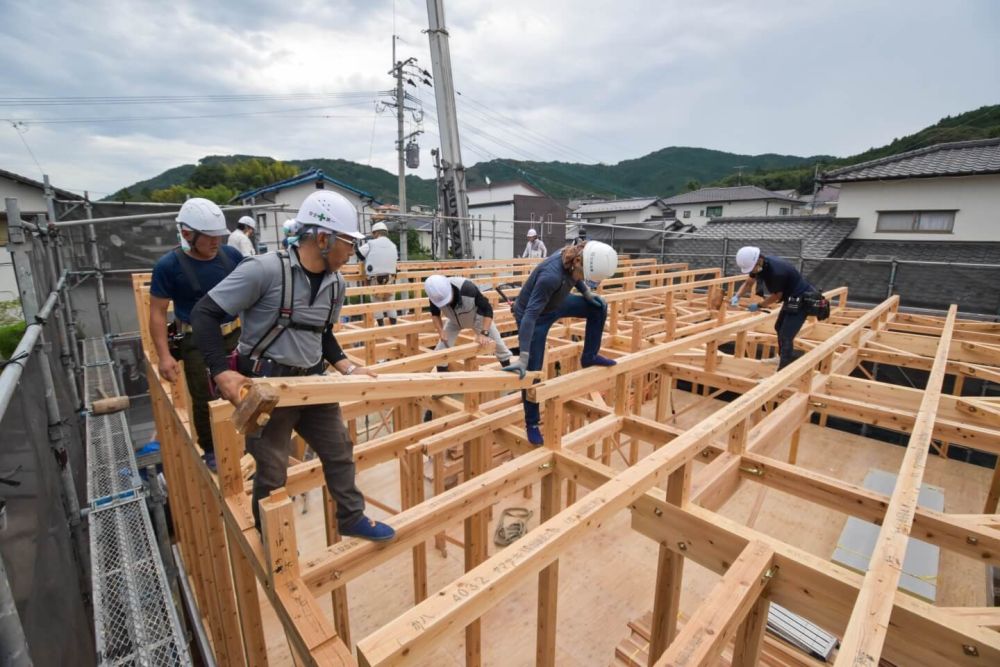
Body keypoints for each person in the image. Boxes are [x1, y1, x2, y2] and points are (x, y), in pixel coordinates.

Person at [191, 190, 395, 541]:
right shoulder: (265, 270)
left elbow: (323, 334)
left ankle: (350, 516)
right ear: (322, 238)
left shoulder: (336, 284)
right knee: (271, 470)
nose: (353, 251)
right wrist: (221, 371)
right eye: (347, 242)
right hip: (268, 385)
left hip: (313, 381)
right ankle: (274, 542)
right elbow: (203, 313)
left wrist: (347, 367)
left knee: (340, 451)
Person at [149, 198, 243, 471]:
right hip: (196, 339)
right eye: (210, 237)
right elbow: (157, 312)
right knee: (205, 397)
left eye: (218, 236)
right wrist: (164, 356)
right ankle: (212, 449)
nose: (216, 242)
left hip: (234, 333)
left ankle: (246, 438)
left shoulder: (231, 257)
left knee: (243, 386)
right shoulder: (169, 266)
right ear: (188, 234)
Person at [504, 241, 619, 445]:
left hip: (556, 302)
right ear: (577, 262)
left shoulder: (575, 257)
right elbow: (530, 315)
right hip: (535, 317)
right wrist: (523, 356)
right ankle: (531, 423)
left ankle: (589, 356)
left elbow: (575, 278)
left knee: (599, 306)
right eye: (586, 276)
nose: (586, 280)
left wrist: (586, 292)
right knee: (532, 372)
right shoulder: (551, 277)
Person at [731, 246, 817, 370]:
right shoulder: (761, 264)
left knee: (786, 335)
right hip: (790, 297)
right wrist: (737, 296)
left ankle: (782, 371)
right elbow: (749, 283)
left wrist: (759, 305)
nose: (752, 271)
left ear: (758, 260)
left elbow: (776, 296)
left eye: (752, 268)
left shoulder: (776, 272)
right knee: (779, 327)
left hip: (801, 299)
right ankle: (782, 357)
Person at [356, 221, 399, 326]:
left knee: (377, 302)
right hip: (391, 279)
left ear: (376, 233)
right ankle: (394, 327)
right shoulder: (393, 245)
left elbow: (360, 254)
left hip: (375, 279)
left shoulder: (371, 243)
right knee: (390, 303)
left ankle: (380, 327)